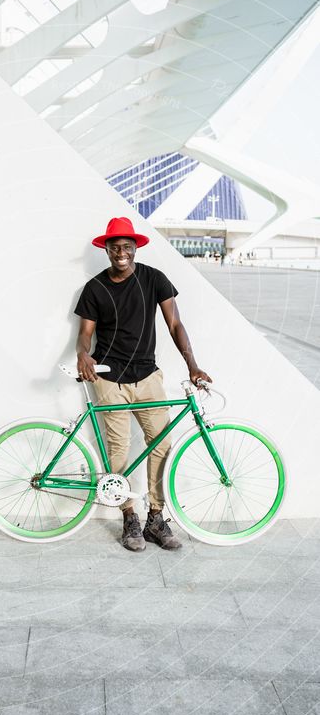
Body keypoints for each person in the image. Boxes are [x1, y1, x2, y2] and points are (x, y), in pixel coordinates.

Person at [74, 216, 212, 552]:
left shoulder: (153, 279)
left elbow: (175, 324)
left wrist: (192, 365)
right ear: (106, 249)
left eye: (127, 247)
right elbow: (84, 336)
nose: (121, 252)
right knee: (118, 449)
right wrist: (83, 355)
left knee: (160, 445)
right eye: (115, 247)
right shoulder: (95, 287)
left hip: (147, 376)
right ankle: (128, 518)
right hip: (108, 378)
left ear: (135, 249)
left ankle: (155, 516)